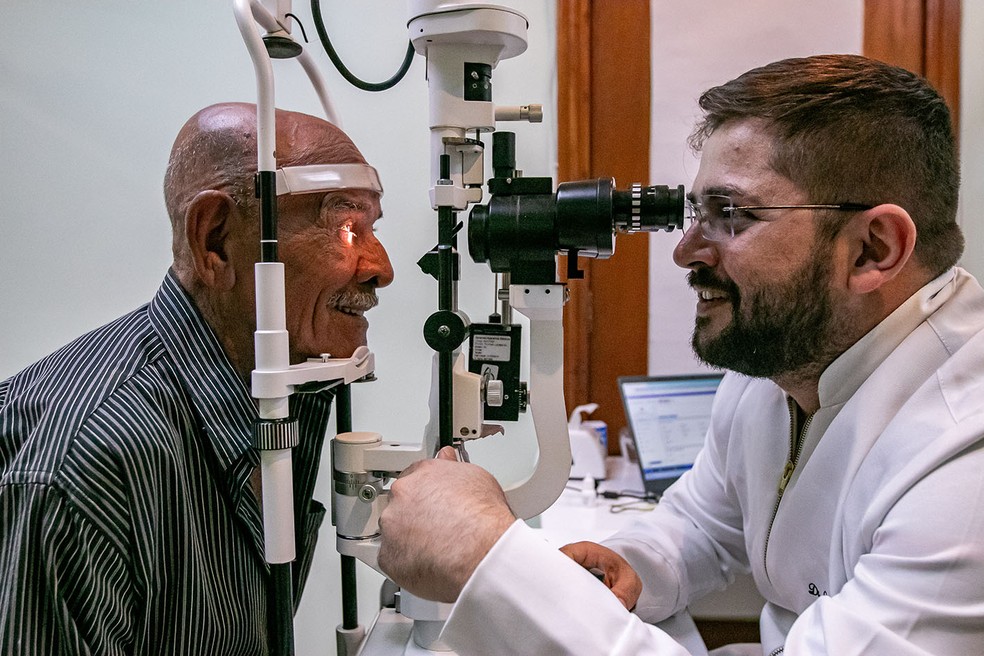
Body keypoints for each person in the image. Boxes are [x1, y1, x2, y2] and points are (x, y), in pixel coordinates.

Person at [376, 54, 984, 655]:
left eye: (733, 216)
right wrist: (636, 561)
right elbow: (705, 523)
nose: (685, 251)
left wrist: (489, 560)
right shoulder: (784, 363)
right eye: (698, 213)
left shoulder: (963, 464)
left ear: (872, 249)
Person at [0, 103, 393, 653]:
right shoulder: (90, 465)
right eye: (345, 226)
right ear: (215, 241)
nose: (381, 266)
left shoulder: (288, 391)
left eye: (372, 229)